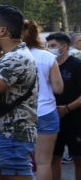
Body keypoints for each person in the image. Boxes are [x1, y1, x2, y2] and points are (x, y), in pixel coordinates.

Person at [0, 5, 38, 180]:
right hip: (0, 134)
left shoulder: (15, 59)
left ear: (2, 31)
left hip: (13, 137)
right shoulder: (10, 56)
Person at [21, 21, 63, 180]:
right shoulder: (48, 56)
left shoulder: (14, 56)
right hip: (46, 112)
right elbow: (58, 88)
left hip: (21, 113)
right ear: (37, 35)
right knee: (44, 162)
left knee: (21, 161)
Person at [46, 32, 81, 180]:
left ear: (64, 46)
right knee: (53, 159)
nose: (50, 49)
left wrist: (67, 108)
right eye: (48, 46)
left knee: (78, 159)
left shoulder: (77, 65)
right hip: (52, 120)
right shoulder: (48, 65)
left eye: (53, 46)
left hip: (76, 120)